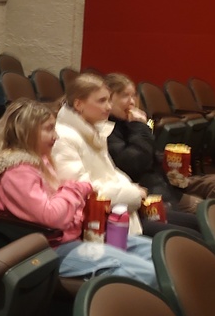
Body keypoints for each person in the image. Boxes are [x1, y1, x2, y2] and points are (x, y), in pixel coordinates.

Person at [0, 98, 156, 286]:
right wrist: (76, 189)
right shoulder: (16, 171)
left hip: (74, 238)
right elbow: (52, 216)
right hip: (50, 250)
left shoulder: (40, 161)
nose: (56, 136)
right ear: (25, 132)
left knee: (155, 252)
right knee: (147, 273)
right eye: (48, 129)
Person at [53, 72, 197, 238]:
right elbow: (83, 192)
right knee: (189, 238)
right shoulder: (64, 138)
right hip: (100, 222)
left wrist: (133, 190)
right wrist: (133, 194)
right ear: (79, 104)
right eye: (102, 101)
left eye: (108, 100)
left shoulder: (94, 130)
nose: (108, 106)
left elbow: (112, 173)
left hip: (125, 208)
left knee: (198, 226)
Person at [104, 72, 210, 226]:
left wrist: (171, 165)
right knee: (205, 219)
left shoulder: (133, 122)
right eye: (124, 96)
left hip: (167, 185)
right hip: (151, 195)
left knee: (212, 199)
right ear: (109, 100)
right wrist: (140, 127)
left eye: (134, 95)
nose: (132, 101)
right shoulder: (109, 129)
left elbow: (150, 153)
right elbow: (134, 164)